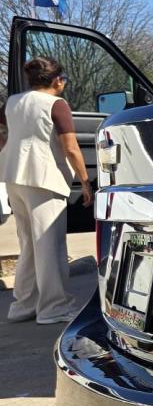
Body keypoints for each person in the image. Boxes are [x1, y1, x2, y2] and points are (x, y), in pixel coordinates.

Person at [0, 56, 92, 324]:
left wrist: (6, 147)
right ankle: (53, 307)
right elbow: (71, 147)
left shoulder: (13, 102)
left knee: (28, 243)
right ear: (57, 80)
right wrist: (85, 181)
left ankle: (23, 305)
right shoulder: (56, 105)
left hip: (14, 176)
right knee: (49, 245)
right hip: (43, 178)